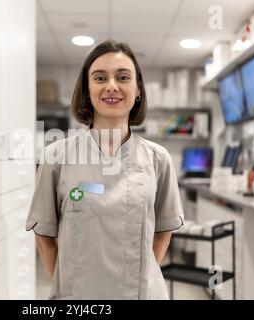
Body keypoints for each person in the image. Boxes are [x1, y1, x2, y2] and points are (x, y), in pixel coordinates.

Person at [26, 40, 184, 299]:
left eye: (123, 77)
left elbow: (162, 232)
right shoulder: (57, 157)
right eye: (100, 77)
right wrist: (70, 288)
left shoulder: (158, 160)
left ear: (138, 90)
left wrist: (138, 280)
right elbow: (44, 236)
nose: (112, 86)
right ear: (88, 90)